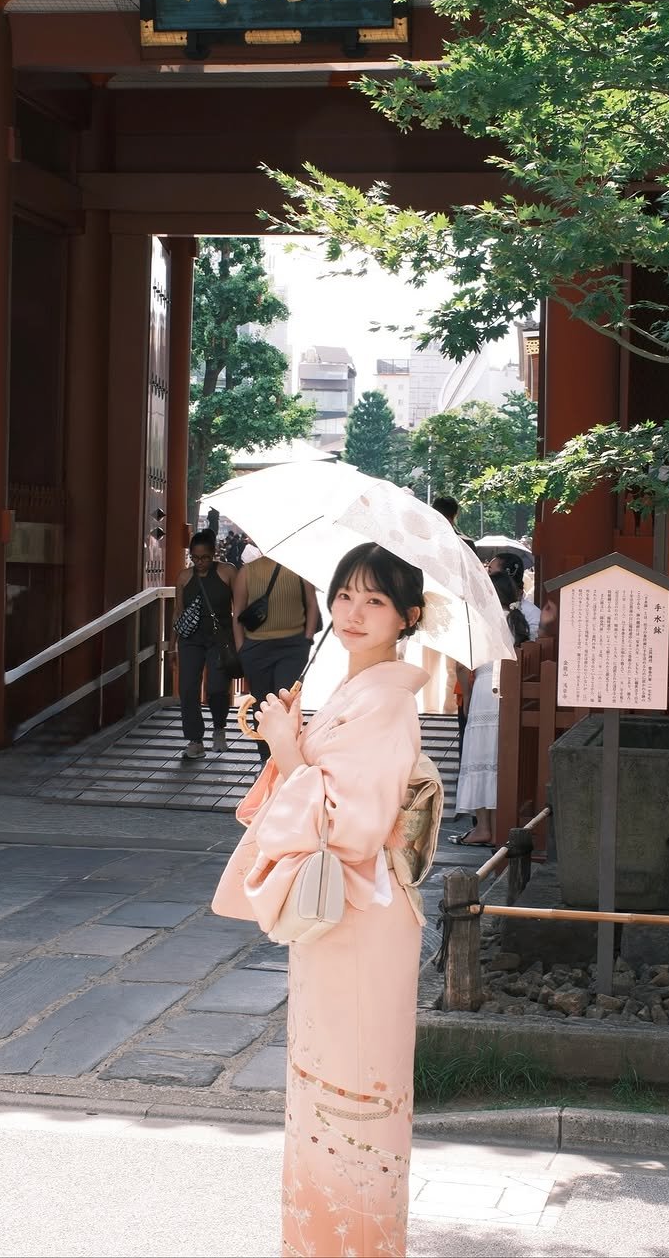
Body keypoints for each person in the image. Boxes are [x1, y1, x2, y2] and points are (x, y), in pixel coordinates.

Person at [212, 543, 431, 1258]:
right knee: (327, 1084)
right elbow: (323, 791)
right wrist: (291, 736)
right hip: (344, 916)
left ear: (409, 617)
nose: (352, 613)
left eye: (374, 601)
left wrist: (289, 749)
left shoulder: (389, 703)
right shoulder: (355, 691)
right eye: (343, 596)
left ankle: (351, 1244)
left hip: (362, 917)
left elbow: (351, 826)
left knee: (352, 1091)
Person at [452, 570, 530, 847]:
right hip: (509, 691)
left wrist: (467, 696)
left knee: (479, 756)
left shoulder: (481, 622)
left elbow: (463, 665)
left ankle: (483, 826)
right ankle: (500, 827)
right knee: (499, 760)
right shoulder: (518, 621)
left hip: (485, 689)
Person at [233, 551, 319, 762]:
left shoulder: (299, 569)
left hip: (292, 647)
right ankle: (265, 757)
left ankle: (285, 758)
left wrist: (306, 640)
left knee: (285, 702)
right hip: (256, 647)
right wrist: (241, 648)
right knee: (261, 702)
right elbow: (238, 613)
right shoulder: (247, 572)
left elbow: (311, 606)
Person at [173, 528, 237, 759]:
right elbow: (178, 613)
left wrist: (240, 642)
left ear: (214, 554)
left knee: (217, 687)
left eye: (205, 557)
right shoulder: (184, 577)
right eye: (195, 558)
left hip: (220, 639)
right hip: (190, 639)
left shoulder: (228, 572)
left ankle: (219, 728)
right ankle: (195, 739)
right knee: (188, 688)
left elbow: (238, 609)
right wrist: (173, 645)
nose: (200, 562)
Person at [485, 551, 541, 639]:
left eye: (490, 571)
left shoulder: (532, 614)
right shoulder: (486, 605)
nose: (485, 575)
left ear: (503, 577)